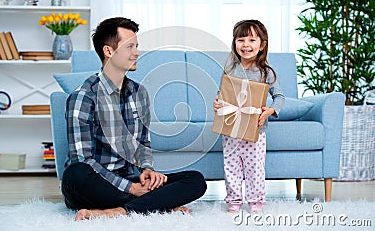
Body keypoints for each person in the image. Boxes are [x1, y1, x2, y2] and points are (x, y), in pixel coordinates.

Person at [61, 17, 207, 221]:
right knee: (75, 174)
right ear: (109, 51)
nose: (137, 52)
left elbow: (143, 145)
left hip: (129, 179)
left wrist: (147, 170)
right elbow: (83, 160)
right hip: (97, 184)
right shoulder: (83, 97)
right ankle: (154, 204)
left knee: (195, 180)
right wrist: (131, 189)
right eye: (130, 46)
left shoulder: (140, 93)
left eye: (136, 46)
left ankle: (118, 212)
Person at [213, 19, 284, 214]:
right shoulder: (230, 69)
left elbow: (279, 97)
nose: (246, 45)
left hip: (256, 131)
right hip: (231, 130)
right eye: (241, 39)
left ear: (262, 45)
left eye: (252, 40)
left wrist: (269, 111)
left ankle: (256, 202)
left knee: (255, 169)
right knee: (231, 166)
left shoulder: (266, 72)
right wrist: (217, 103)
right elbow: (222, 96)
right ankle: (233, 202)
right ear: (235, 43)